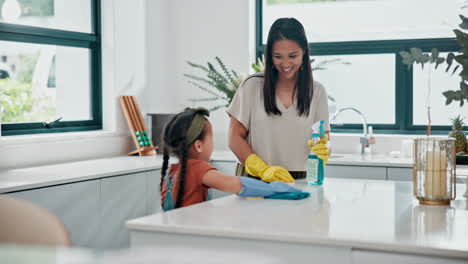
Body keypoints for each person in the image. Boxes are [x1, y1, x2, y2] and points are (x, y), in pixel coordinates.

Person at [227, 17, 330, 182]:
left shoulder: (317, 91)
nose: (285, 63)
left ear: (304, 53)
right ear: (269, 56)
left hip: (299, 180)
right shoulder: (251, 86)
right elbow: (234, 138)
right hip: (255, 178)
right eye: (278, 56)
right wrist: (261, 168)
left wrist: (325, 149)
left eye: (292, 56)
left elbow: (323, 139)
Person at [159, 107, 309, 211]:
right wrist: (274, 188)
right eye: (210, 138)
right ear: (199, 145)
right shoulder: (198, 168)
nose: (213, 144)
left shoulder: (171, 172)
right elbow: (237, 185)